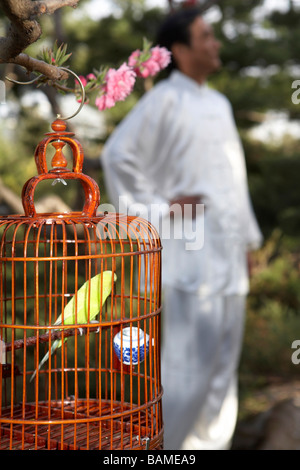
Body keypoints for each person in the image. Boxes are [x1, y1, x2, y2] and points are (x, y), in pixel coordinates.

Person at [101, 7, 263, 450]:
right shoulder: (163, 99)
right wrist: (160, 209)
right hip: (190, 259)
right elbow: (118, 155)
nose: (216, 44)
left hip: (228, 257)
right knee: (187, 376)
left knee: (222, 377)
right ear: (179, 49)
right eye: (206, 36)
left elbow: (234, 178)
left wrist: (248, 243)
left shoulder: (220, 102)